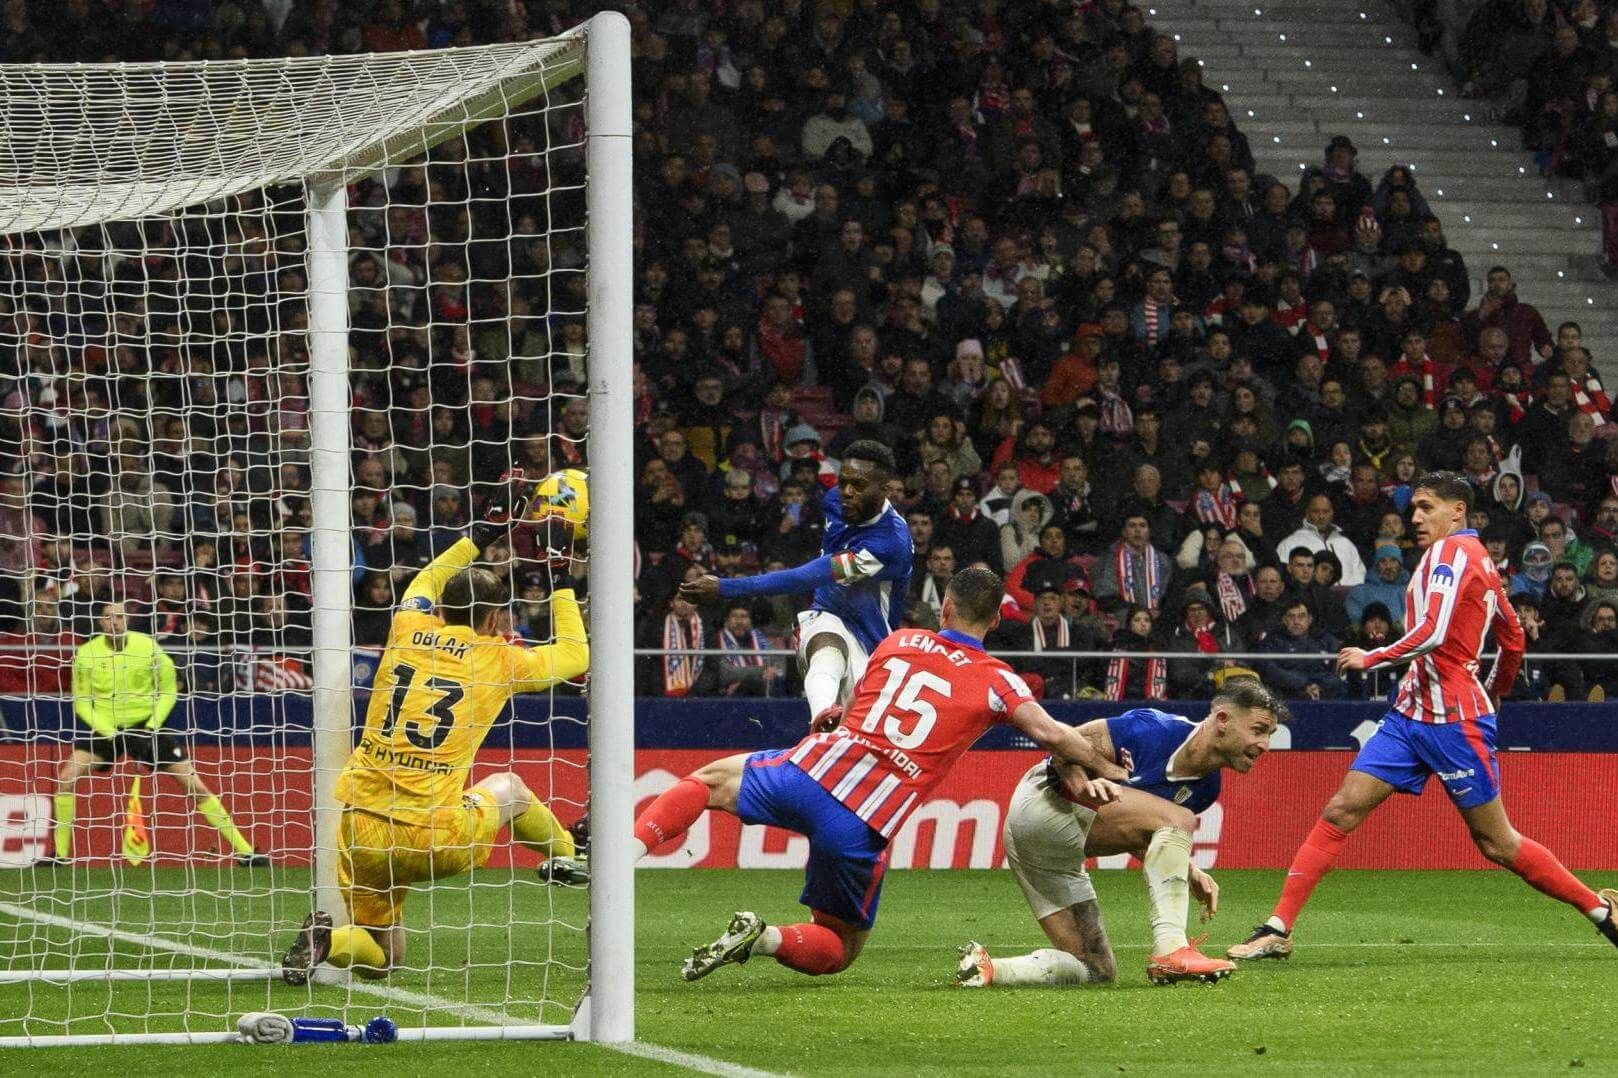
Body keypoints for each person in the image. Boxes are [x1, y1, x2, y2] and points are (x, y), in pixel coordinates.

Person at [632, 567, 1129, 982]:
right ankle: (765, 938)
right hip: (863, 821)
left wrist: (834, 716)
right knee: (839, 947)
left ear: (946, 609)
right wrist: (1109, 766)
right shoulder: (998, 679)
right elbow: (1051, 734)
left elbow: (856, 707)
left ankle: (621, 855)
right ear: (997, 617)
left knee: (707, 782)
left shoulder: (900, 640)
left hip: (814, 771)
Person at [1228, 471, 1618, 961]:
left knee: (1497, 843)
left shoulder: (1451, 554)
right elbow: (1513, 636)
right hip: (1410, 714)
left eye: (1426, 507)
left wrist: (1373, 657)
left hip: (1454, 722)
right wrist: (1496, 689)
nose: (1414, 517)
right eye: (1413, 508)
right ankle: (1278, 928)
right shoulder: (1478, 561)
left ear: (1458, 512)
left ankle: (1602, 911)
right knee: (1341, 809)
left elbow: (1433, 632)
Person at [280, 471, 590, 983]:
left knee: (384, 957)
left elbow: (422, 581)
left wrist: (481, 534)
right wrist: (559, 575)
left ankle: (328, 940)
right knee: (509, 789)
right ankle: (571, 857)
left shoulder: (407, 628)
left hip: (361, 827)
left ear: (442, 610)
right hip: (434, 835)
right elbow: (578, 654)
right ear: (495, 619)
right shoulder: (500, 659)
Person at [956, 680, 1288, 988]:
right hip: (1045, 801)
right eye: (1259, 730)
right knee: (1179, 819)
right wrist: (1082, 786)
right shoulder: (1153, 729)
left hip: (1050, 852)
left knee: (1095, 969)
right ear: (1224, 719)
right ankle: (1172, 949)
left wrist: (1189, 871)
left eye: (1270, 734)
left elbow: (1141, 832)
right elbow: (1061, 746)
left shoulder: (1206, 789)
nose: (1265, 745)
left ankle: (988, 969)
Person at [680, 441, 911, 730]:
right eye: (844, 483)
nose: (847, 493)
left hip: (872, 643)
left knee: (859, 741)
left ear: (886, 489)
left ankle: (833, 733)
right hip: (825, 614)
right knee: (827, 643)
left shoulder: (890, 543)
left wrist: (726, 588)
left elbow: (804, 577)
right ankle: (823, 717)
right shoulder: (834, 500)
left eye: (859, 485)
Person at [40, 601, 266, 869]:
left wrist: (151, 726)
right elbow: (81, 702)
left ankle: (246, 851)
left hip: (146, 725)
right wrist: (110, 732)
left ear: (128, 620)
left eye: (120, 616)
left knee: (193, 784)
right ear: (101, 623)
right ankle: (61, 856)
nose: (115, 622)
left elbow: (169, 690)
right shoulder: (87, 654)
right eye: (109, 617)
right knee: (66, 776)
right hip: (106, 728)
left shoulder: (148, 647)